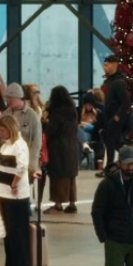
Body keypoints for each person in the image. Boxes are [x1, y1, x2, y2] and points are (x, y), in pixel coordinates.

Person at [0, 116, 33, 266]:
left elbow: (22, 167)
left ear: (10, 129)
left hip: (15, 195)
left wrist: (14, 184)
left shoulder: (19, 145)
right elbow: (0, 163)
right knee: (8, 233)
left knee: (18, 233)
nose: (0, 133)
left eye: (2, 130)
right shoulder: (5, 145)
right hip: (3, 193)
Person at [42, 85, 83, 213]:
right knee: (71, 176)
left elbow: (50, 130)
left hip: (58, 147)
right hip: (73, 145)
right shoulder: (73, 111)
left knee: (58, 176)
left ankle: (58, 204)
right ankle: (72, 203)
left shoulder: (57, 113)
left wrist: (43, 122)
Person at [98, 54, 133, 173]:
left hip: (115, 118)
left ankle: (111, 166)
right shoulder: (110, 81)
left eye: (107, 64)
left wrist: (118, 116)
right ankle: (116, 164)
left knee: (111, 142)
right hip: (109, 116)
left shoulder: (118, 82)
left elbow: (126, 102)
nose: (105, 67)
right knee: (113, 143)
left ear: (114, 65)